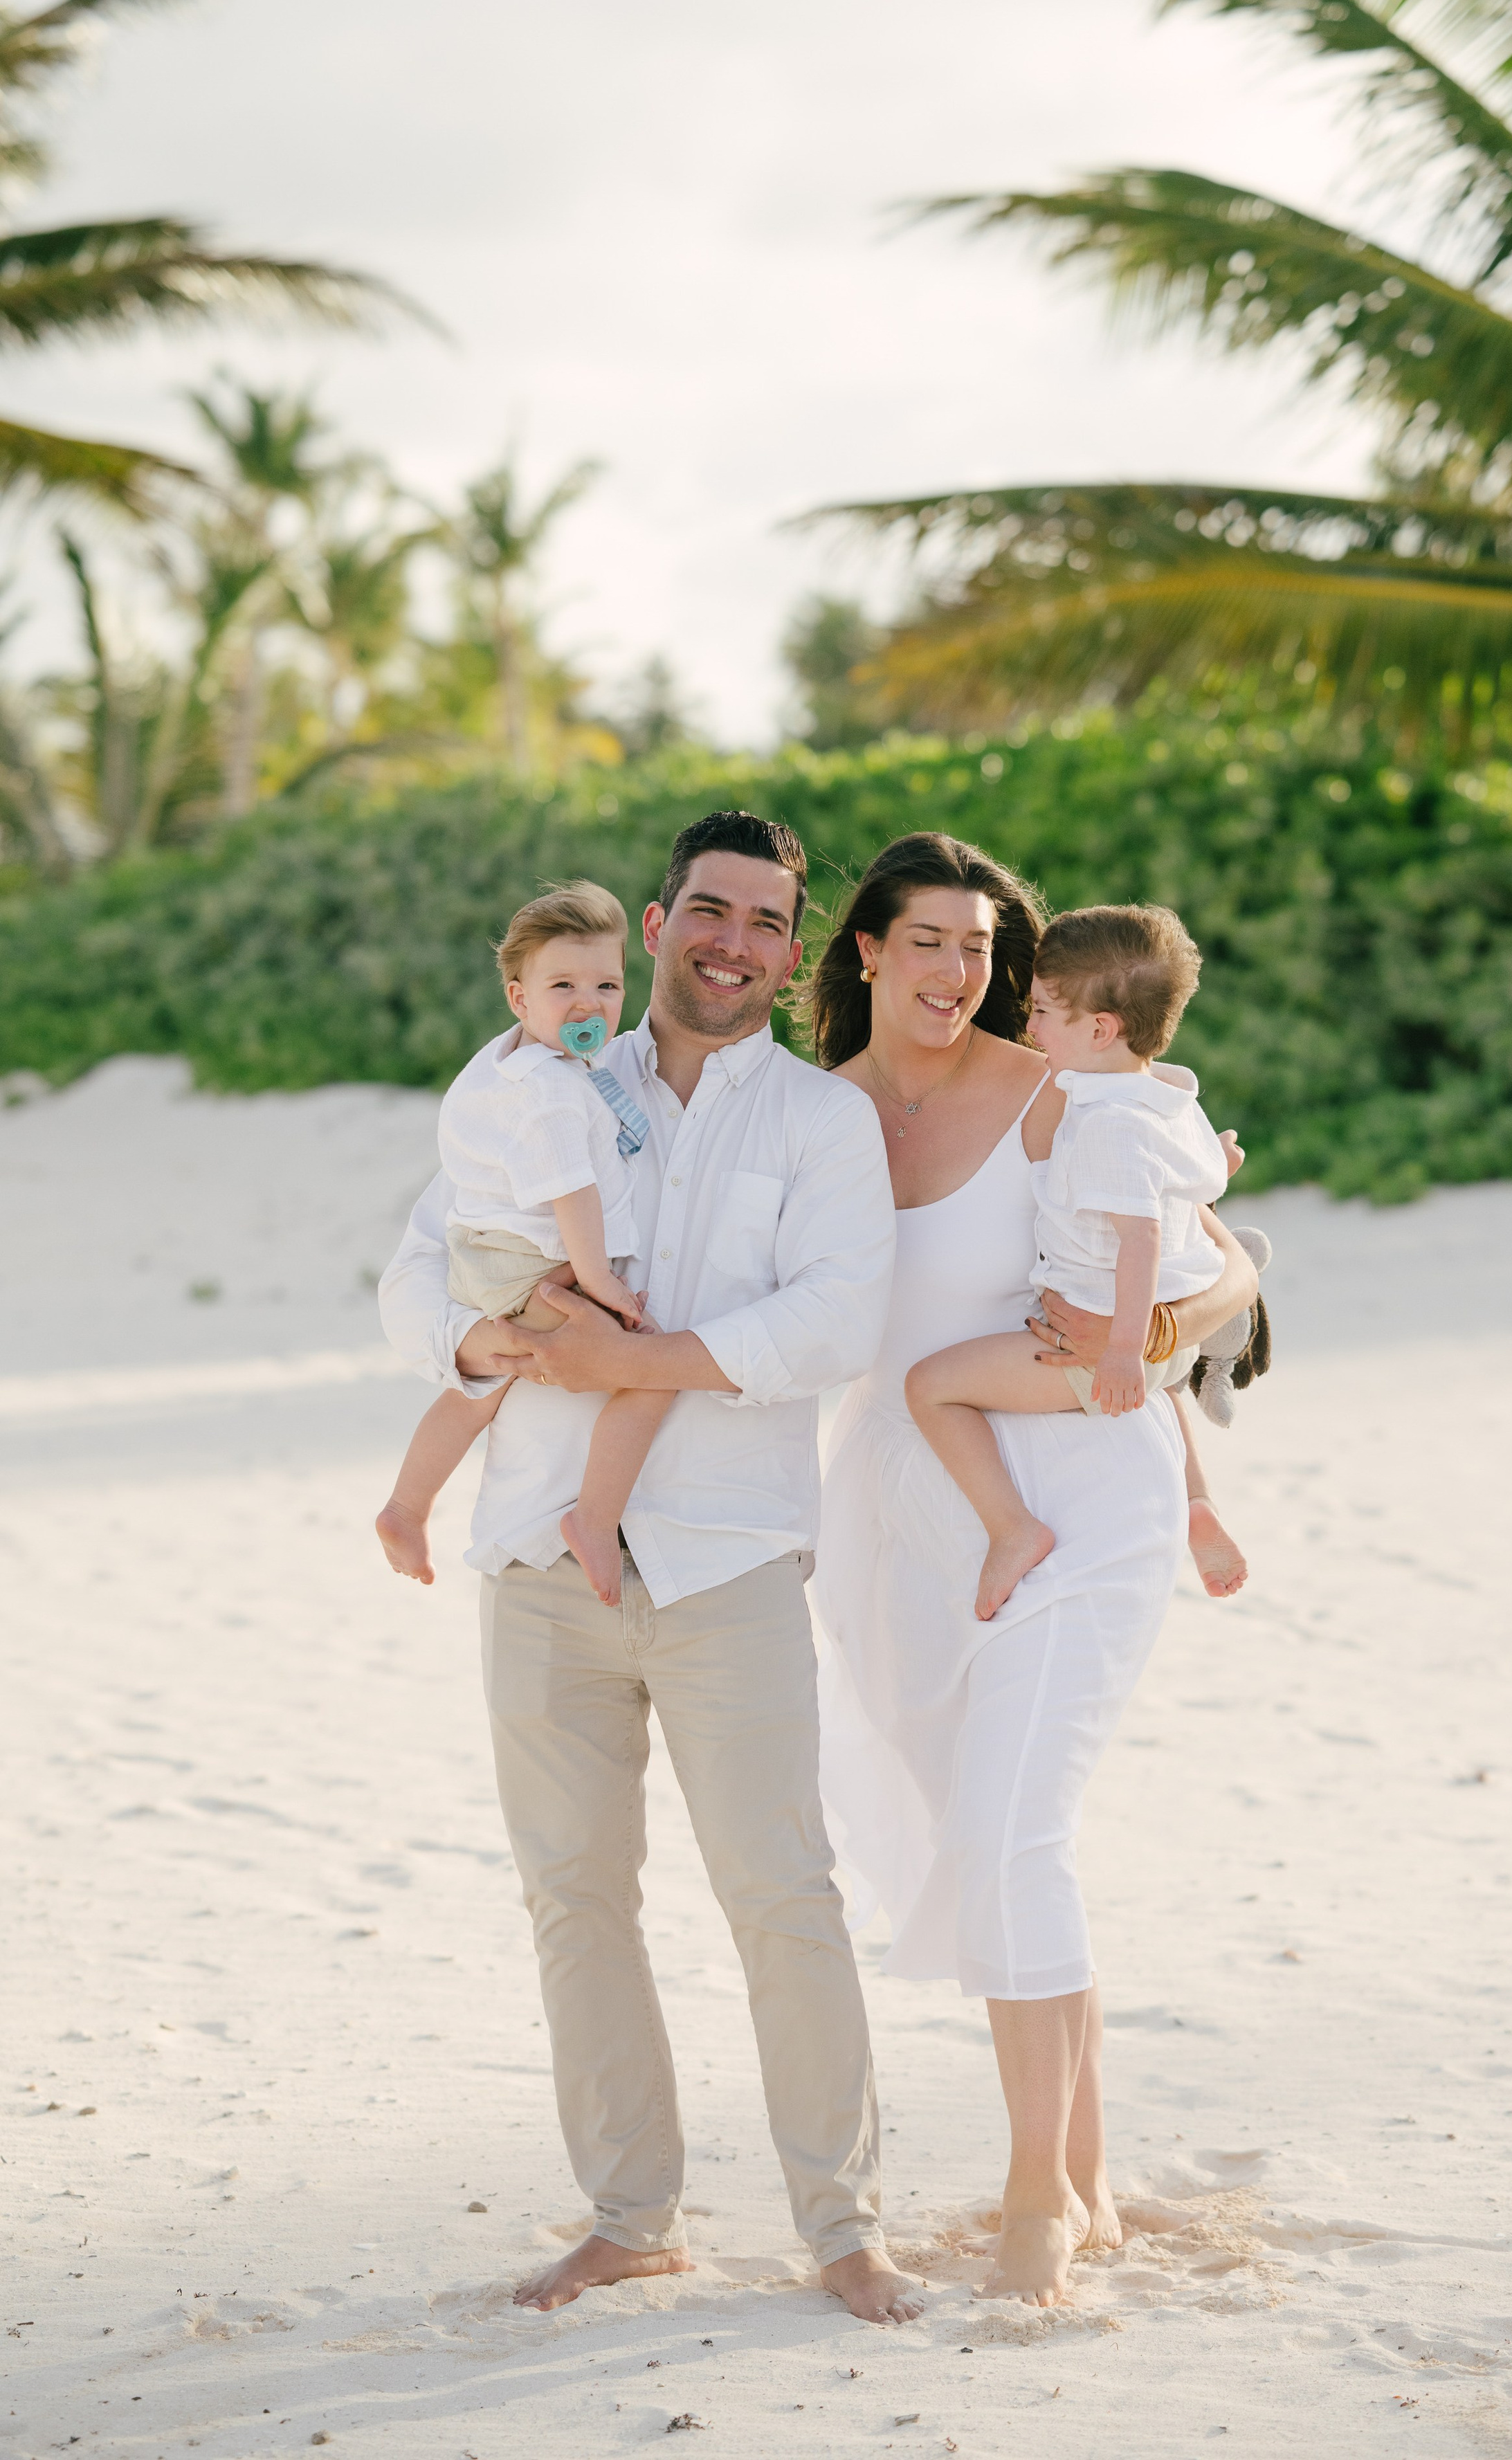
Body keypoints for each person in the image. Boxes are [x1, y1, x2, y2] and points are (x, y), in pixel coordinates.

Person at [377, 809, 922, 2326]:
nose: (729, 942)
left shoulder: (822, 1125)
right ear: (661, 915)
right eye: (706, 910)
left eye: (762, 922)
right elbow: (418, 1264)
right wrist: (487, 1342)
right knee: (574, 1898)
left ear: (791, 951)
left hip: (728, 1562)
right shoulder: (547, 1069)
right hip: (535, 1552)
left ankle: (842, 2224)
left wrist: (638, 1360)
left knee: (783, 1896)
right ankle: (632, 2216)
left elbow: (834, 1324)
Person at [805, 832, 1259, 2312]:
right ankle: (1089, 2170)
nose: (957, 972)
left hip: (1071, 1500)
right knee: (1006, 1846)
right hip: (901, 1524)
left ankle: (1032, 2196)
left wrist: (1160, 1337)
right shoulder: (804, 1120)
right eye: (925, 941)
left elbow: (1216, 1269)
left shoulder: (1063, 1092)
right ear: (865, 950)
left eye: (981, 947)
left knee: (1012, 1833)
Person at [905, 901, 1237, 1619]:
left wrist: (1120, 1353)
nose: (1031, 1027)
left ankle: (1012, 1528)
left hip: (1096, 1344)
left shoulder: (1107, 1125)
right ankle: (1197, 1499)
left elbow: (1141, 1237)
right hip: (1166, 1345)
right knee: (1169, 1386)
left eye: (1045, 1011)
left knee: (929, 1388)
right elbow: (1208, 1169)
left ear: (1099, 1029)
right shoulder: (1168, 1092)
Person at [374, 881, 671, 1605]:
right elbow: (572, 1191)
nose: (588, 1004)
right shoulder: (554, 1095)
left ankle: (406, 1506)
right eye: (562, 985)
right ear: (519, 998)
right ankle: (595, 1521)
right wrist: (600, 1283)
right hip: (532, 1265)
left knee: (477, 1394)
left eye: (607, 984)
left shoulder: (511, 1064)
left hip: (486, 1257)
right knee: (653, 1371)